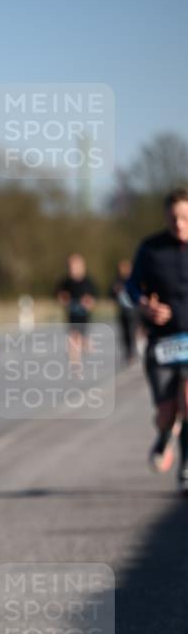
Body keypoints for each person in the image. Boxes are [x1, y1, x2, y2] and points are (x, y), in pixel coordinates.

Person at [126, 188, 188, 494]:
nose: (179, 224)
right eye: (174, 217)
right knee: (166, 413)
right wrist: (145, 305)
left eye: (185, 217)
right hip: (162, 342)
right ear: (166, 217)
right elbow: (131, 286)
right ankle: (165, 434)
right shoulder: (151, 248)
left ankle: (186, 467)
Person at [55, 254, 98, 366]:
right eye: (71, 267)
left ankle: (85, 344)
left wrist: (88, 302)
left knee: (82, 340)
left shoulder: (88, 282)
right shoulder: (65, 282)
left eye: (75, 266)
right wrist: (64, 299)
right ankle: (75, 363)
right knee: (73, 338)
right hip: (72, 315)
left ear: (82, 267)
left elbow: (94, 298)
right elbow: (59, 296)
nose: (73, 269)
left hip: (84, 316)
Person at [109, 258, 138, 366]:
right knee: (124, 333)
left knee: (132, 332)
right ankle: (128, 353)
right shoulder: (117, 281)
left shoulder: (134, 280)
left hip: (134, 311)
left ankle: (133, 352)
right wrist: (115, 291)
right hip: (122, 311)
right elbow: (111, 294)